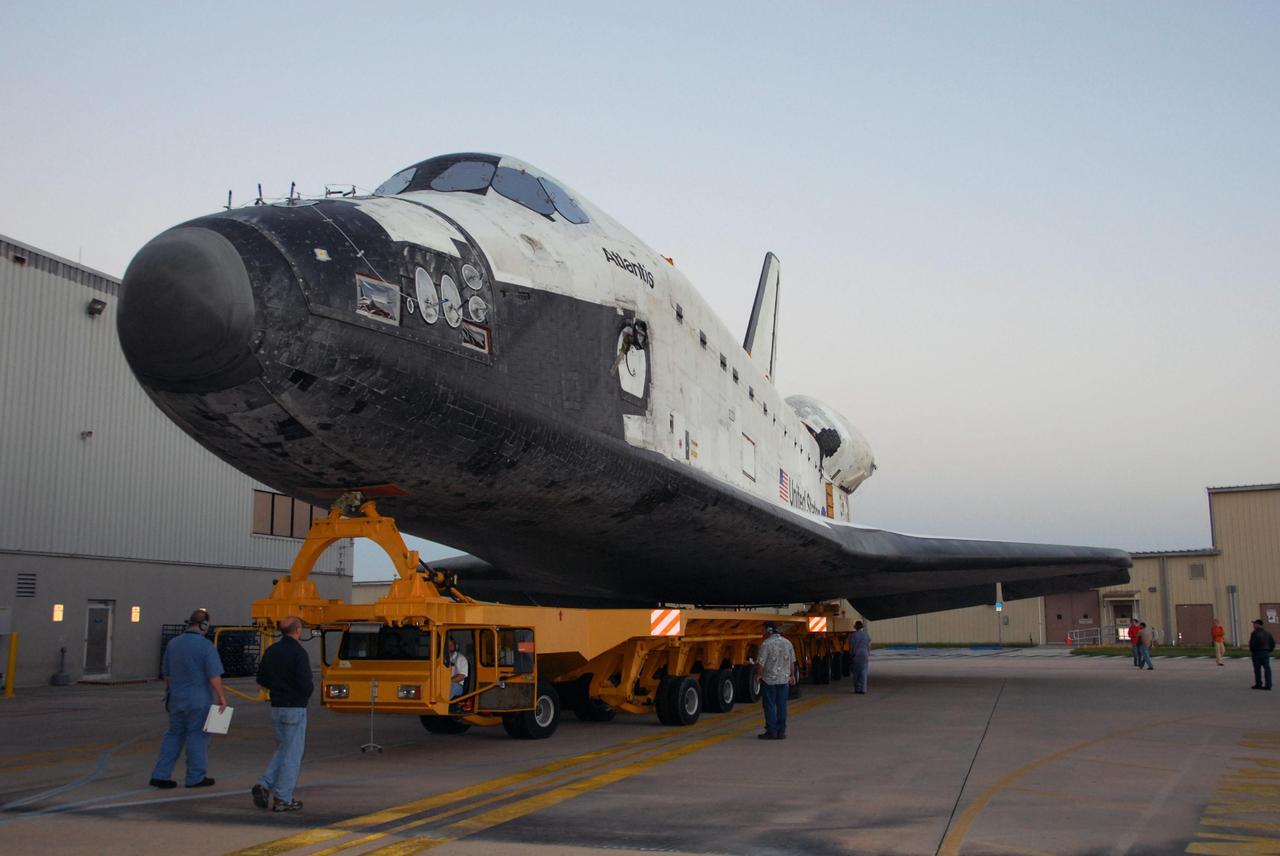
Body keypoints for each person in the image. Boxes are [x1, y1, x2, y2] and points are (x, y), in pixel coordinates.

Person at [149, 609, 227, 789]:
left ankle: (160, 774)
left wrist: (170, 694)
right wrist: (221, 696)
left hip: (176, 698)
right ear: (204, 625)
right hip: (199, 700)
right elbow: (213, 675)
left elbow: (167, 675)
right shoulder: (206, 646)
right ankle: (195, 777)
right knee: (198, 737)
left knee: (173, 735)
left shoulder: (173, 644)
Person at [253, 615, 313, 812]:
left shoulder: (272, 651)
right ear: (297, 631)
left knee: (283, 750)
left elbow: (261, 678)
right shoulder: (299, 653)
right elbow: (306, 684)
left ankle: (264, 784)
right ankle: (283, 798)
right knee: (292, 755)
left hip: (277, 707)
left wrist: (277, 689)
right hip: (295, 707)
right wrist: (302, 694)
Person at [755, 622, 796, 740]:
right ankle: (781, 732)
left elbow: (761, 662)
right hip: (784, 680)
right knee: (782, 705)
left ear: (768, 631)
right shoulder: (787, 643)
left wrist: (758, 675)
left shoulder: (766, 644)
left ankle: (772, 731)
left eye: (763, 630)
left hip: (769, 680)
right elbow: (792, 662)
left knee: (769, 705)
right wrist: (792, 675)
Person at [1249, 619, 1275, 691]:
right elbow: (1272, 643)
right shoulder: (1268, 633)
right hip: (1266, 652)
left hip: (1257, 653)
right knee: (1267, 669)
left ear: (1258, 624)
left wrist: (1252, 651)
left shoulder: (1254, 633)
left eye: (1254, 624)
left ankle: (1258, 684)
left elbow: (1252, 644)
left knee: (1257, 669)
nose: (1253, 625)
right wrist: (1269, 650)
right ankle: (1268, 684)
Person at [851, 621, 871, 694]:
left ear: (855, 627)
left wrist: (851, 655)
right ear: (862, 627)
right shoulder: (866, 635)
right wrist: (868, 653)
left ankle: (857, 689)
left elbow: (852, 647)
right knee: (864, 672)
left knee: (856, 673)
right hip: (864, 655)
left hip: (856, 655)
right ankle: (863, 689)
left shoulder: (853, 635)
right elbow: (868, 645)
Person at [447, 635, 469, 700]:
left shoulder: (461, 658)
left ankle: (442, 704)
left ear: (455, 646)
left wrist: (448, 682)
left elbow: (461, 676)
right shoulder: (443, 659)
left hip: (457, 685)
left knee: (452, 686)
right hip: (444, 683)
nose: (450, 646)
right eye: (448, 645)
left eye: (451, 644)